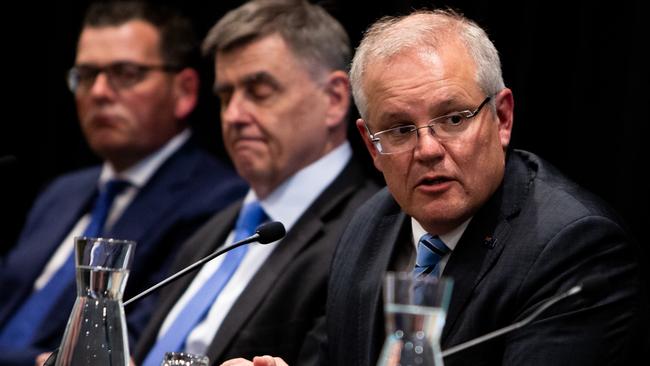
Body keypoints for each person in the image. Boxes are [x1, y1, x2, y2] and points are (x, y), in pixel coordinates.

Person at [228, 8, 649, 366]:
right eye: (399, 129)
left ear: (502, 118)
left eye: (453, 119)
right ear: (370, 145)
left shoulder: (572, 247)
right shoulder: (370, 224)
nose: (427, 150)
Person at [132, 0, 379, 365]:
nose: (233, 116)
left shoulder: (368, 237)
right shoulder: (212, 232)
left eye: (259, 91)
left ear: (334, 98)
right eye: (225, 96)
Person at [0, 3, 247, 365]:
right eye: (86, 75)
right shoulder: (60, 193)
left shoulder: (218, 202)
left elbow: (124, 346)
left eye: (125, 73)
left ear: (185, 91)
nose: (98, 92)